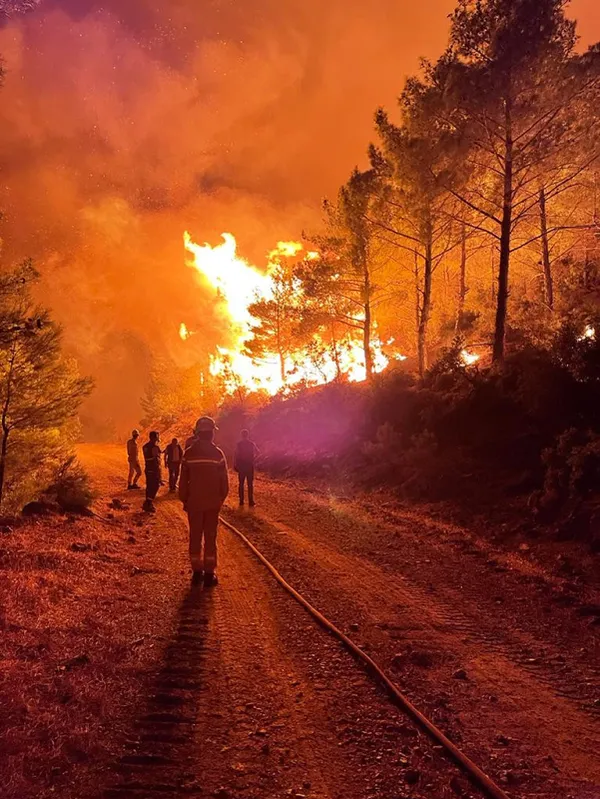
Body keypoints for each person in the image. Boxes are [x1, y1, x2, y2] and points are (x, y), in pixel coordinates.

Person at [179, 416, 229, 586]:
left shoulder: (189, 454)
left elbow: (183, 481)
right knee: (210, 536)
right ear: (211, 433)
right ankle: (209, 573)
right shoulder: (218, 454)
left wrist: (185, 500)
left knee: (195, 535)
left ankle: (196, 572)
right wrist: (219, 500)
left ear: (198, 433)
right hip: (212, 504)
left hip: (194, 503)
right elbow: (225, 484)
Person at [234, 428, 259, 507]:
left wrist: (235, 464)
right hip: (249, 465)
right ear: (247, 435)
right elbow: (258, 452)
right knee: (250, 484)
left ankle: (241, 501)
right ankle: (251, 501)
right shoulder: (251, 444)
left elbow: (236, 454)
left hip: (241, 466)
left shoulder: (239, 444)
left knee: (241, 483)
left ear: (241, 435)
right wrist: (253, 458)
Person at [142, 431, 162, 513]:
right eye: (156, 438)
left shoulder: (145, 446)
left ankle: (148, 502)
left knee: (149, 486)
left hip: (148, 468)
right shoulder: (155, 447)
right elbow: (156, 460)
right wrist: (159, 472)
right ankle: (148, 503)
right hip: (154, 469)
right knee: (156, 485)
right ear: (154, 438)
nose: (157, 440)